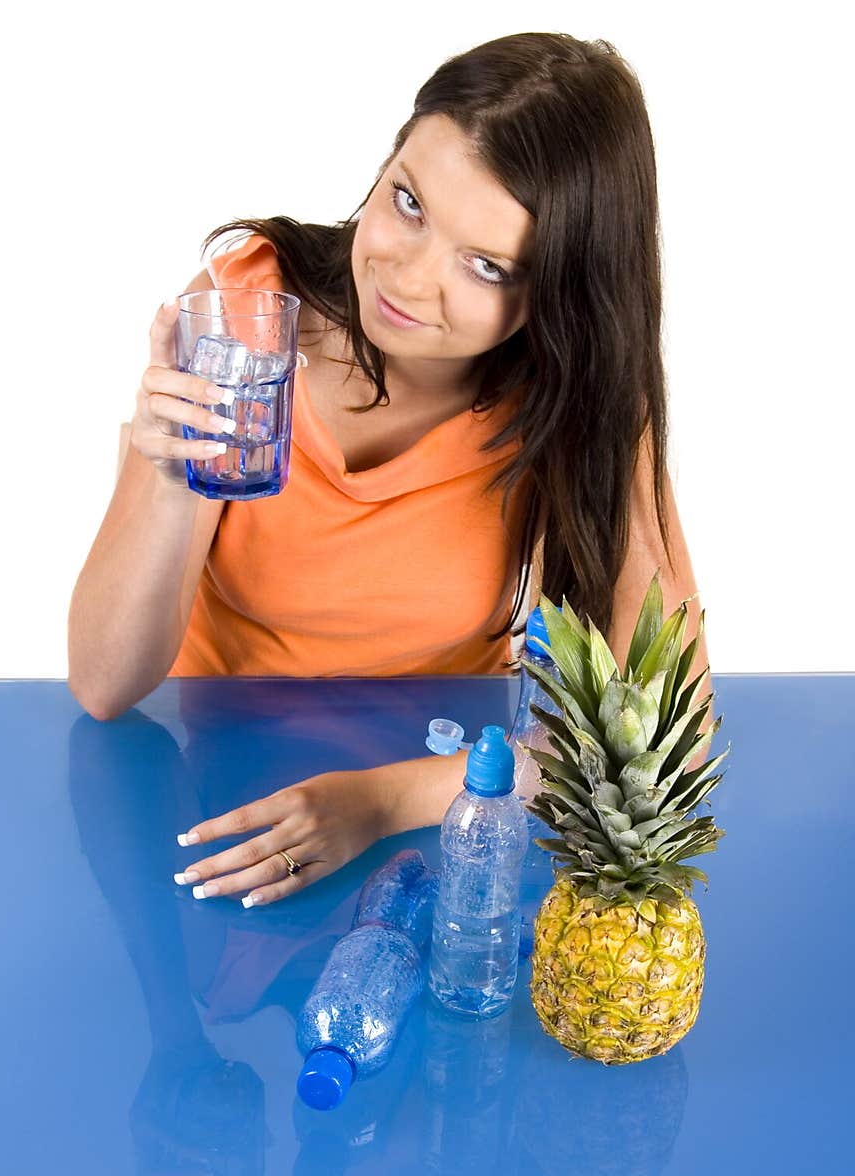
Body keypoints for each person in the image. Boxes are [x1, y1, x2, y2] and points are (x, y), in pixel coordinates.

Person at [68, 31, 709, 908]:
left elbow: (671, 736)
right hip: (214, 797)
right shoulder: (248, 315)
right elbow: (105, 685)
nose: (406, 278)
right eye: (408, 202)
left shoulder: (579, 405)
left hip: (453, 808)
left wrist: (381, 799)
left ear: (558, 293)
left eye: (484, 265)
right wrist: (169, 473)